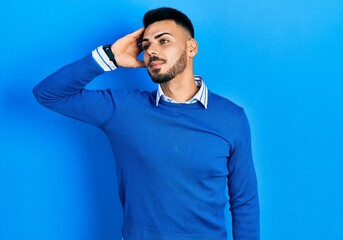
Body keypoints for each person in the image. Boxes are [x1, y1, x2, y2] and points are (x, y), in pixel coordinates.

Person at [33, 7, 259, 240]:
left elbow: (244, 202)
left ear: (191, 47)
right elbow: (49, 94)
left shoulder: (232, 117)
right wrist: (110, 57)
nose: (152, 51)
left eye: (164, 41)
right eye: (146, 45)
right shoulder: (122, 109)